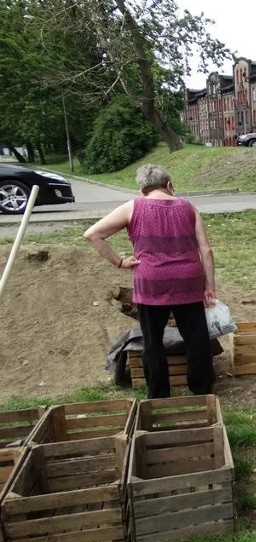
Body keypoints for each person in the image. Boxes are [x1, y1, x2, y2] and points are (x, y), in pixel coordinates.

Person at [83, 164, 216, 398]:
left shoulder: (132, 207)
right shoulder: (188, 207)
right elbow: (206, 250)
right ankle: (202, 388)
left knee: (153, 341)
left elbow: (92, 234)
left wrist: (120, 262)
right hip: (187, 281)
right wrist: (209, 287)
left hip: (151, 282)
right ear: (168, 185)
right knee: (196, 338)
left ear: (141, 188)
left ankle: (158, 393)